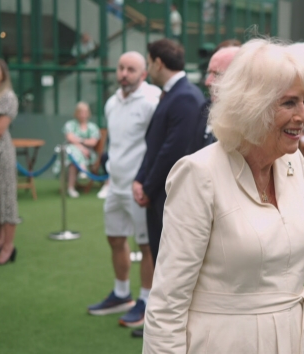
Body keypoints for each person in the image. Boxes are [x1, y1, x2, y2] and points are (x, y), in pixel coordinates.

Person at [142, 39, 304, 353]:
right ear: (252, 105)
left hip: (297, 339)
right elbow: (168, 299)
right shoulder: (199, 173)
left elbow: (292, 249)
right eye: (289, 103)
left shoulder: (292, 162)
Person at [86, 52, 160, 330]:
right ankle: (121, 294)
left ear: (143, 73)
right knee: (115, 239)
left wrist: (147, 181)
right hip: (115, 186)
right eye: (121, 68)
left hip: (140, 186)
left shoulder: (152, 101)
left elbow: (157, 146)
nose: (124, 73)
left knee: (146, 245)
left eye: (131, 69)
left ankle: (146, 301)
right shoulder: (110, 102)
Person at [133, 38, 205, 267]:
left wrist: (148, 187)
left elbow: (172, 151)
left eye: (149, 62)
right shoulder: (174, 93)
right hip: (158, 192)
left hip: (169, 194)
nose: (148, 68)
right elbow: (156, 143)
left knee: (169, 265)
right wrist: (140, 179)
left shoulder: (184, 96)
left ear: (159, 64)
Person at [186, 45, 240, 154]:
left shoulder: (252, 124)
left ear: (240, 77)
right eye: (208, 73)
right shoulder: (206, 107)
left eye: (217, 74)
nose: (208, 82)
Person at [0, 58, 20, 265]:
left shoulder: (8, 97)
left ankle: (8, 246)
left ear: (3, 74)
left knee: (6, 200)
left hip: (1, 153)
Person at [56, 102, 100, 198]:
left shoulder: (93, 127)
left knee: (73, 157)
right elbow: (70, 138)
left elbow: (93, 142)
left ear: (88, 113)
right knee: (72, 153)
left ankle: (72, 186)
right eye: (80, 112)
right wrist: (82, 146)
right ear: (76, 113)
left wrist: (79, 140)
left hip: (87, 155)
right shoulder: (70, 124)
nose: (83, 114)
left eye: (85, 112)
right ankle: (83, 171)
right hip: (71, 153)